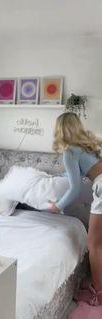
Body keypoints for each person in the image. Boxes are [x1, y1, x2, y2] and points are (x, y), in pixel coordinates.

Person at [49, 112, 102, 306]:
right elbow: (79, 172)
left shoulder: (70, 152)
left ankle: (98, 293)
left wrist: (57, 206)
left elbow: (75, 188)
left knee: (94, 244)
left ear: (60, 130)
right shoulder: (88, 146)